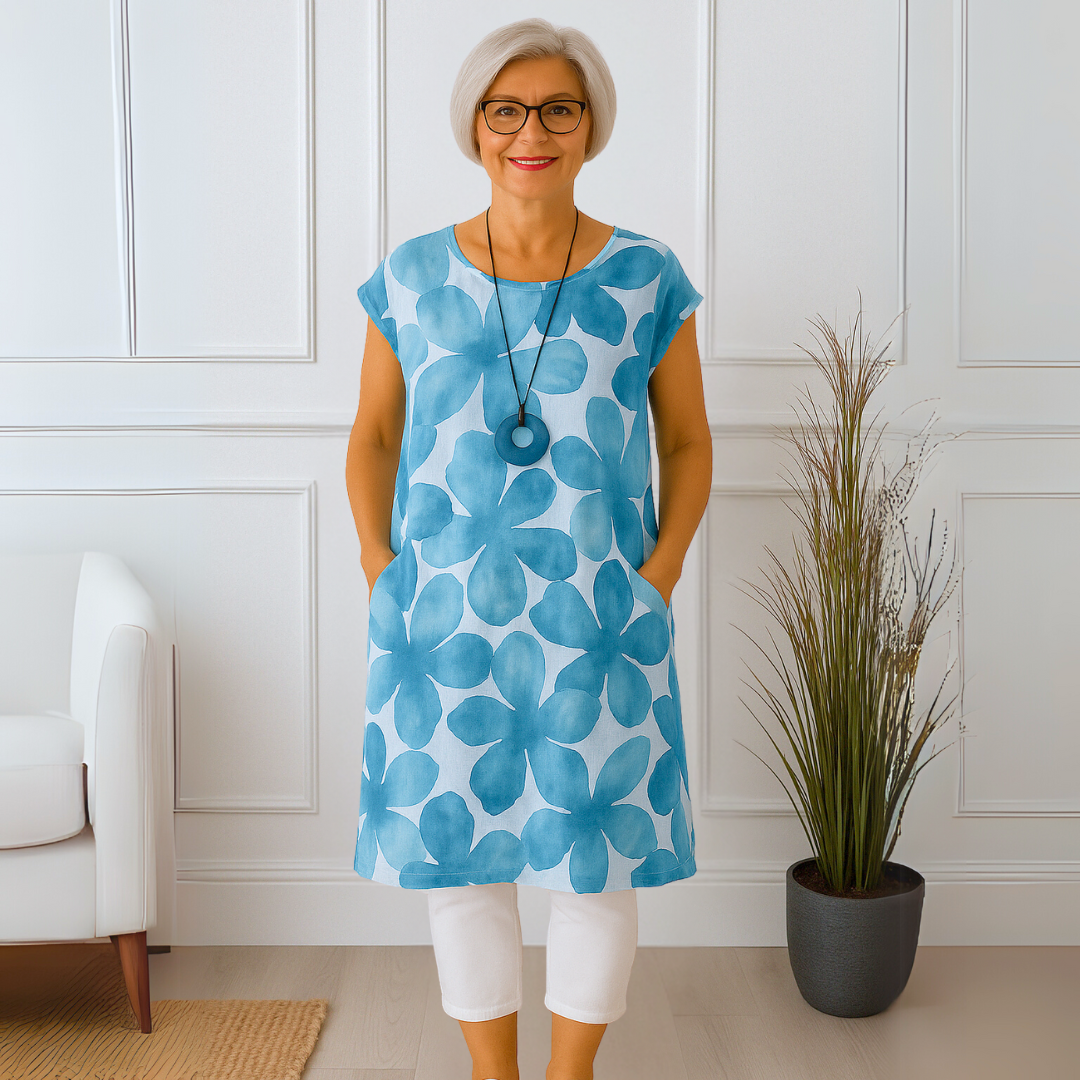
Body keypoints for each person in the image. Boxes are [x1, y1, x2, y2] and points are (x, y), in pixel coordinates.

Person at [345, 18, 712, 1080]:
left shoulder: (646, 276)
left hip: (600, 619)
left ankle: (571, 1073)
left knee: (595, 861)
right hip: (442, 617)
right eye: (505, 111)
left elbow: (688, 442)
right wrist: (378, 565)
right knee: (461, 856)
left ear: (591, 125)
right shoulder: (411, 274)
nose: (531, 133)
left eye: (558, 109)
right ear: (475, 127)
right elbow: (373, 435)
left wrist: (659, 576)